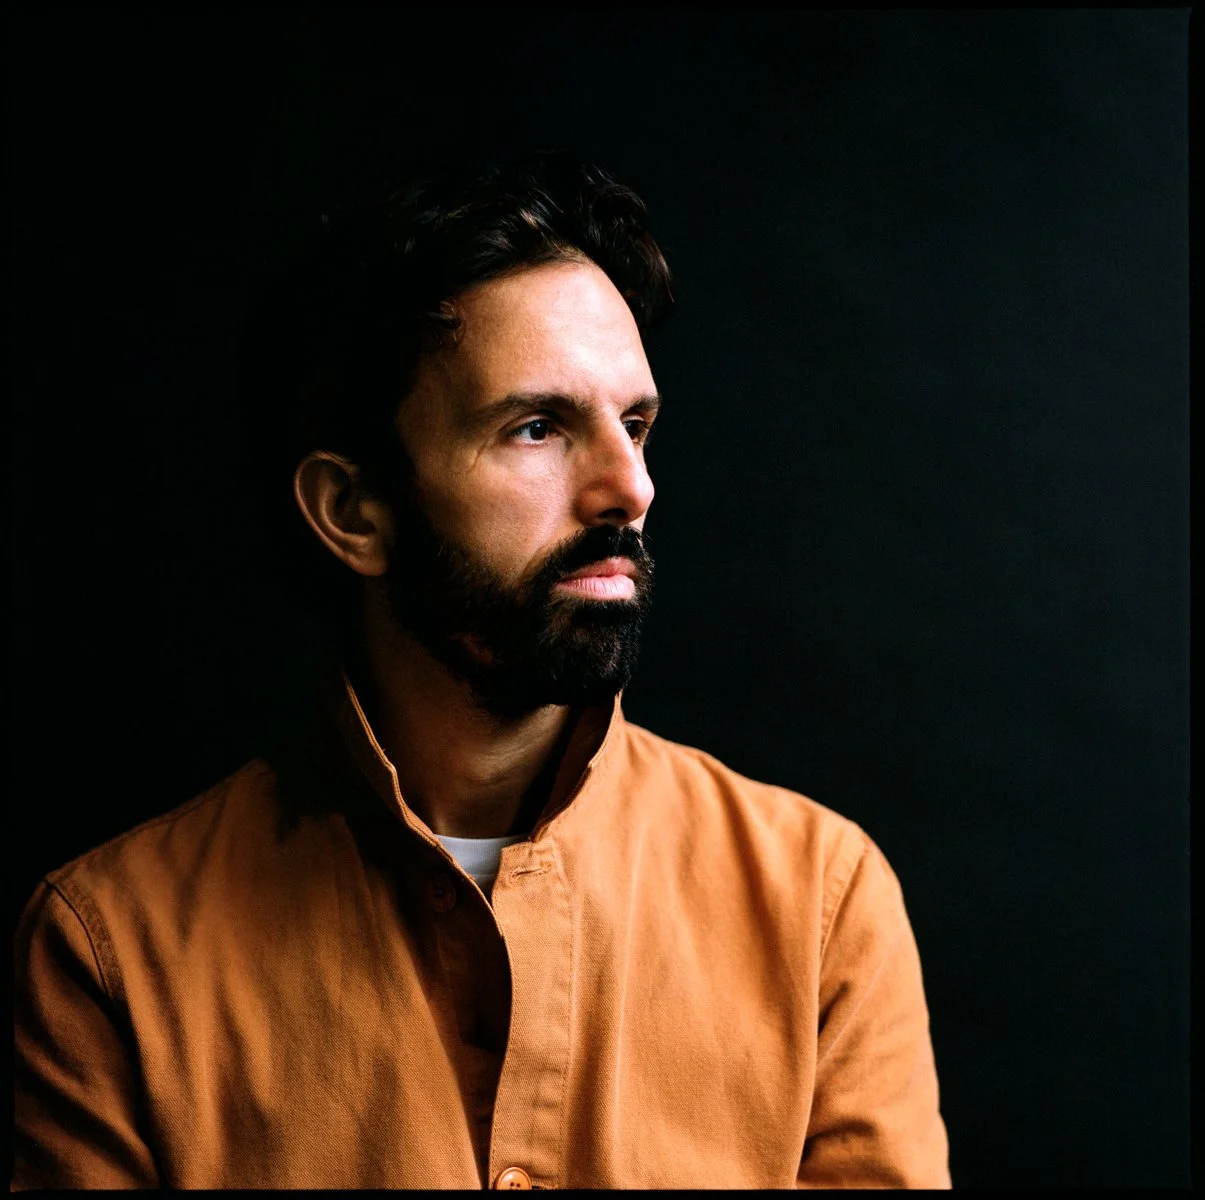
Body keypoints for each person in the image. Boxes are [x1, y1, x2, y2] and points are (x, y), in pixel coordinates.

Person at [12, 152, 951, 1189]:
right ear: (355, 513)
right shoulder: (110, 952)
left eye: (635, 425)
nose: (629, 487)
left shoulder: (818, 902)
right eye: (536, 428)